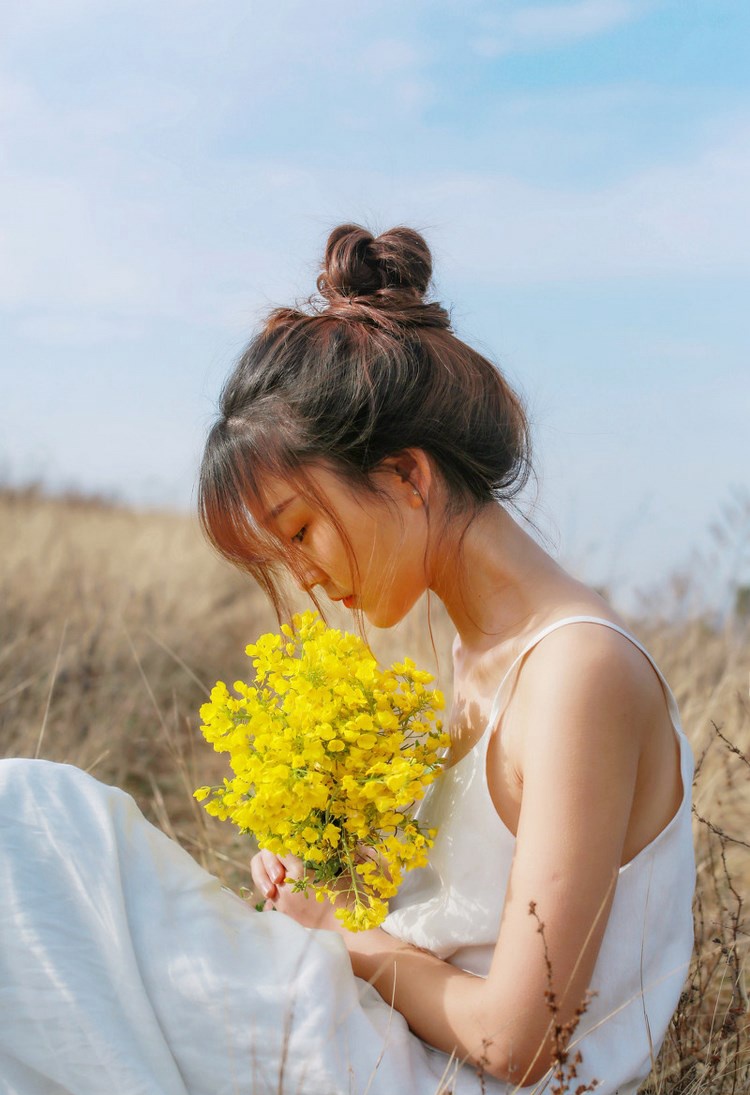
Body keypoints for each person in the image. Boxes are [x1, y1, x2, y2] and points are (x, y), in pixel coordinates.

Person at [0, 224, 694, 1095]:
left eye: (299, 529)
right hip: (388, 1050)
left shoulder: (577, 673)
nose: (307, 575)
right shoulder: (486, 659)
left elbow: (519, 1038)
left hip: (427, 1076)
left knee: (34, 827)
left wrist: (339, 931)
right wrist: (342, 882)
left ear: (406, 476)